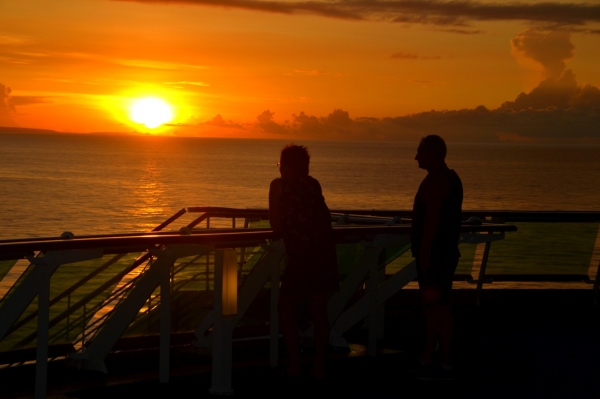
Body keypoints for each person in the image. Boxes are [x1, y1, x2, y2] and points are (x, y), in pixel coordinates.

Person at [269, 144, 339, 379]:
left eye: (280, 165)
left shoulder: (279, 186)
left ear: (286, 166)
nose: (279, 170)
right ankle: (319, 366)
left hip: (301, 255)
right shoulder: (313, 184)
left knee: (285, 308)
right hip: (324, 252)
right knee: (319, 311)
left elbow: (276, 225)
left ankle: (295, 365)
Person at [410, 135, 463, 381]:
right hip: (444, 253)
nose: (416, 157)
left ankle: (444, 357)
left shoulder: (436, 181)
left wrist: (423, 255)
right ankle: (431, 354)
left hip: (435, 256)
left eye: (420, 152)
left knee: (438, 308)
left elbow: (431, 221)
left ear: (431, 154)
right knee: (435, 307)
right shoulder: (451, 179)